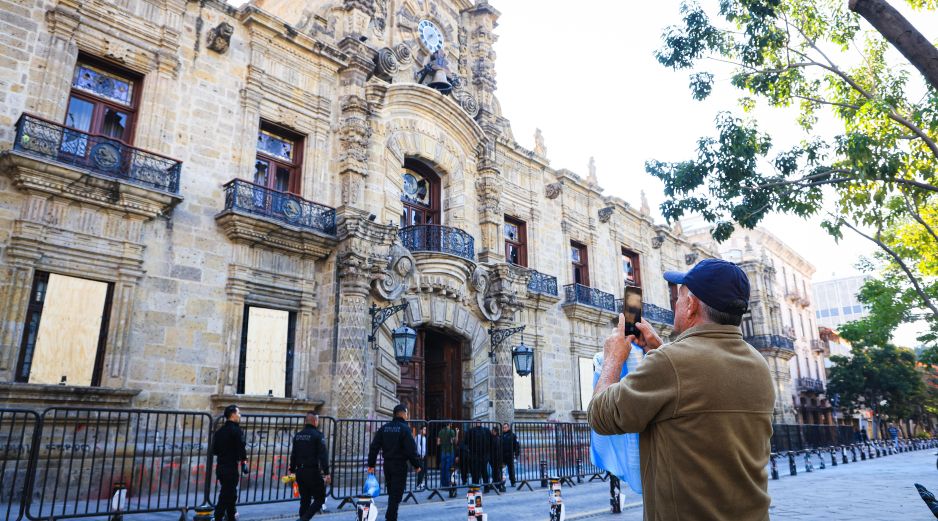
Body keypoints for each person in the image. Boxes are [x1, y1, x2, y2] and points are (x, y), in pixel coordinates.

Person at [588, 258, 775, 521]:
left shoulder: (671, 363)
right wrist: (661, 349)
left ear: (691, 306)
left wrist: (613, 358)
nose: (675, 303)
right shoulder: (759, 365)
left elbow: (601, 415)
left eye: (679, 297)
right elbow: (697, 393)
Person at [367, 404, 422, 521]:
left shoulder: (384, 428)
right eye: (406, 413)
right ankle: (391, 517)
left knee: (392, 492)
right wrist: (417, 465)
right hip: (399, 465)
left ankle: (390, 515)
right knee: (396, 494)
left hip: (387, 465)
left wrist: (371, 464)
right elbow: (411, 450)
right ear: (402, 414)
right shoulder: (405, 429)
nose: (407, 416)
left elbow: (374, 447)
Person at [290, 412, 331, 520]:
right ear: (315, 421)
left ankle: (302, 518)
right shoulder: (318, 435)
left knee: (305, 499)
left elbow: (293, 454)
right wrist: (327, 473)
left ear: (305, 421)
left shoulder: (298, 436)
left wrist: (292, 470)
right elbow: (323, 456)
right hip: (312, 471)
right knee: (320, 498)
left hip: (299, 472)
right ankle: (303, 519)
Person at [213, 404, 248, 521]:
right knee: (226, 495)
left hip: (221, 466)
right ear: (233, 415)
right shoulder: (236, 431)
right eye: (238, 413)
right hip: (230, 467)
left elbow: (215, 450)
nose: (239, 415)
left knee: (231, 494)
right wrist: (244, 462)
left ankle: (231, 517)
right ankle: (218, 517)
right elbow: (241, 448)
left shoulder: (219, 431)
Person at [464, 421, 493, 492]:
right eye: (477, 422)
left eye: (478, 422)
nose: (478, 424)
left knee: (483, 471)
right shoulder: (472, 431)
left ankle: (485, 487)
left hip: (483, 455)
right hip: (476, 454)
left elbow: (490, 441)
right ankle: (476, 487)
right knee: (476, 471)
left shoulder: (485, 430)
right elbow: (466, 442)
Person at [437, 422, 457, 497]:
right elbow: (453, 441)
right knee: (450, 468)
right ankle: (449, 483)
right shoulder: (451, 431)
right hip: (449, 451)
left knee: (443, 467)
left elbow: (438, 443)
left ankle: (443, 484)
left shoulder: (440, 431)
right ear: (449, 424)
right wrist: (456, 434)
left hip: (443, 452)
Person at [498, 423, 520, 491]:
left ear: (508, 428)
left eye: (505, 427)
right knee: (503, 470)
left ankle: (513, 482)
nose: (504, 429)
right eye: (503, 428)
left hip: (510, 455)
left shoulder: (513, 435)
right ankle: (503, 482)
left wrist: (516, 454)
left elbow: (517, 445)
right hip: (503, 455)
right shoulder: (501, 436)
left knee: (511, 470)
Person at [415, 425, 428, 490]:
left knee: (423, 470)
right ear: (420, 430)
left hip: (423, 456)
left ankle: (421, 483)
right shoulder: (418, 437)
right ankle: (418, 484)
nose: (425, 431)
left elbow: (424, 448)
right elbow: (418, 447)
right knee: (420, 470)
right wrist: (421, 454)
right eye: (424, 429)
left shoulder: (424, 438)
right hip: (419, 456)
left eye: (425, 429)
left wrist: (424, 454)